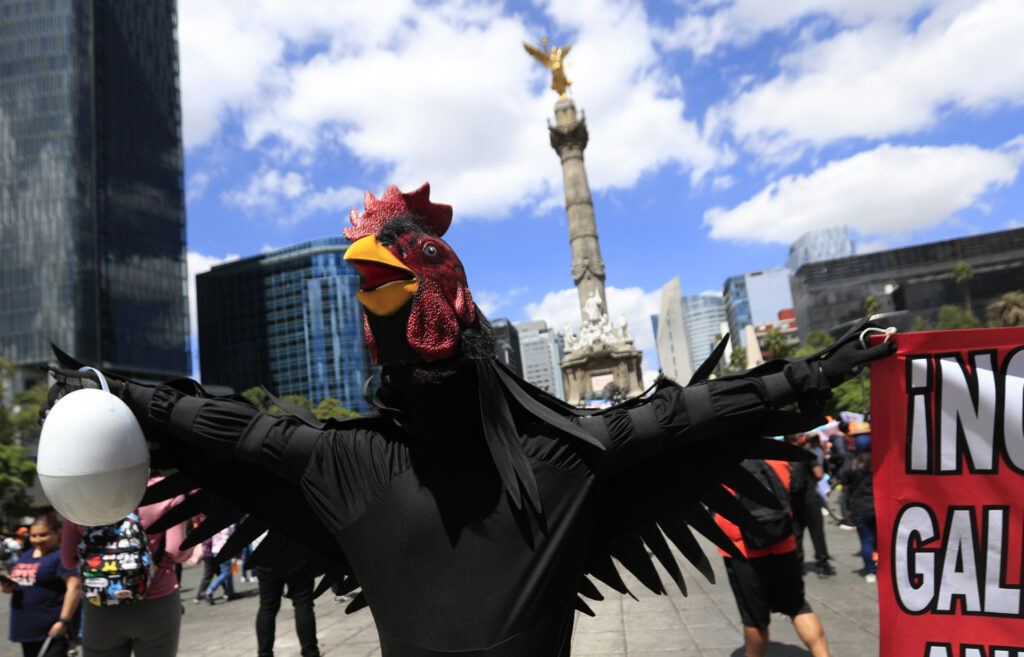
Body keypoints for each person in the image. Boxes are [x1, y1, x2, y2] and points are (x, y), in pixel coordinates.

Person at [42, 183, 894, 656]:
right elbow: (218, 422)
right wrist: (108, 384)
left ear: (453, 290)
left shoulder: (571, 456)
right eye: (378, 265)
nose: (378, 268)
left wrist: (816, 371)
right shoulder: (343, 463)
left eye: (416, 257)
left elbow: (683, 414)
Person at [61, 476, 192, 657]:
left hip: (100, 604)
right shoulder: (166, 489)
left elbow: (68, 560)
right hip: (157, 601)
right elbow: (176, 552)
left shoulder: (80, 495)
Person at [716, 460, 832, 657]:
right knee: (798, 607)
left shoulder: (720, 462)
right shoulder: (778, 457)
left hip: (742, 550)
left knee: (755, 619)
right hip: (783, 543)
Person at [2, 513, 81, 657]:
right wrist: (7, 586)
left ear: (58, 533)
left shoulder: (62, 555)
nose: (37, 540)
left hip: (51, 628)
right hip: (26, 629)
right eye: (33, 536)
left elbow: (74, 588)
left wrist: (64, 621)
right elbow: (17, 582)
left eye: (43, 535)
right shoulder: (27, 554)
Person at [253, 537, 320, 657]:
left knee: (267, 606)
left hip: (264, 549)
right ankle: (311, 652)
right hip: (297, 547)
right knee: (303, 603)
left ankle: (264, 654)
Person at [787, 433, 835, 577]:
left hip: (792, 500)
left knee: (796, 535)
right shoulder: (806, 453)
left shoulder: (783, 455)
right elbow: (819, 475)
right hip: (810, 499)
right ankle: (823, 564)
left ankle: (798, 565)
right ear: (797, 439)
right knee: (817, 533)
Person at [841, 423, 877, 583]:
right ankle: (882, 564)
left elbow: (845, 485)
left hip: (859, 508)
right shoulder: (879, 462)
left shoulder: (851, 464)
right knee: (880, 539)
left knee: (866, 540)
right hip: (878, 506)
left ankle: (870, 571)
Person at [202, 525, 241, 604]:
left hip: (218, 550)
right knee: (225, 573)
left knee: (228, 572)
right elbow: (228, 535)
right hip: (223, 550)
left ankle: (230, 592)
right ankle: (209, 591)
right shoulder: (226, 526)